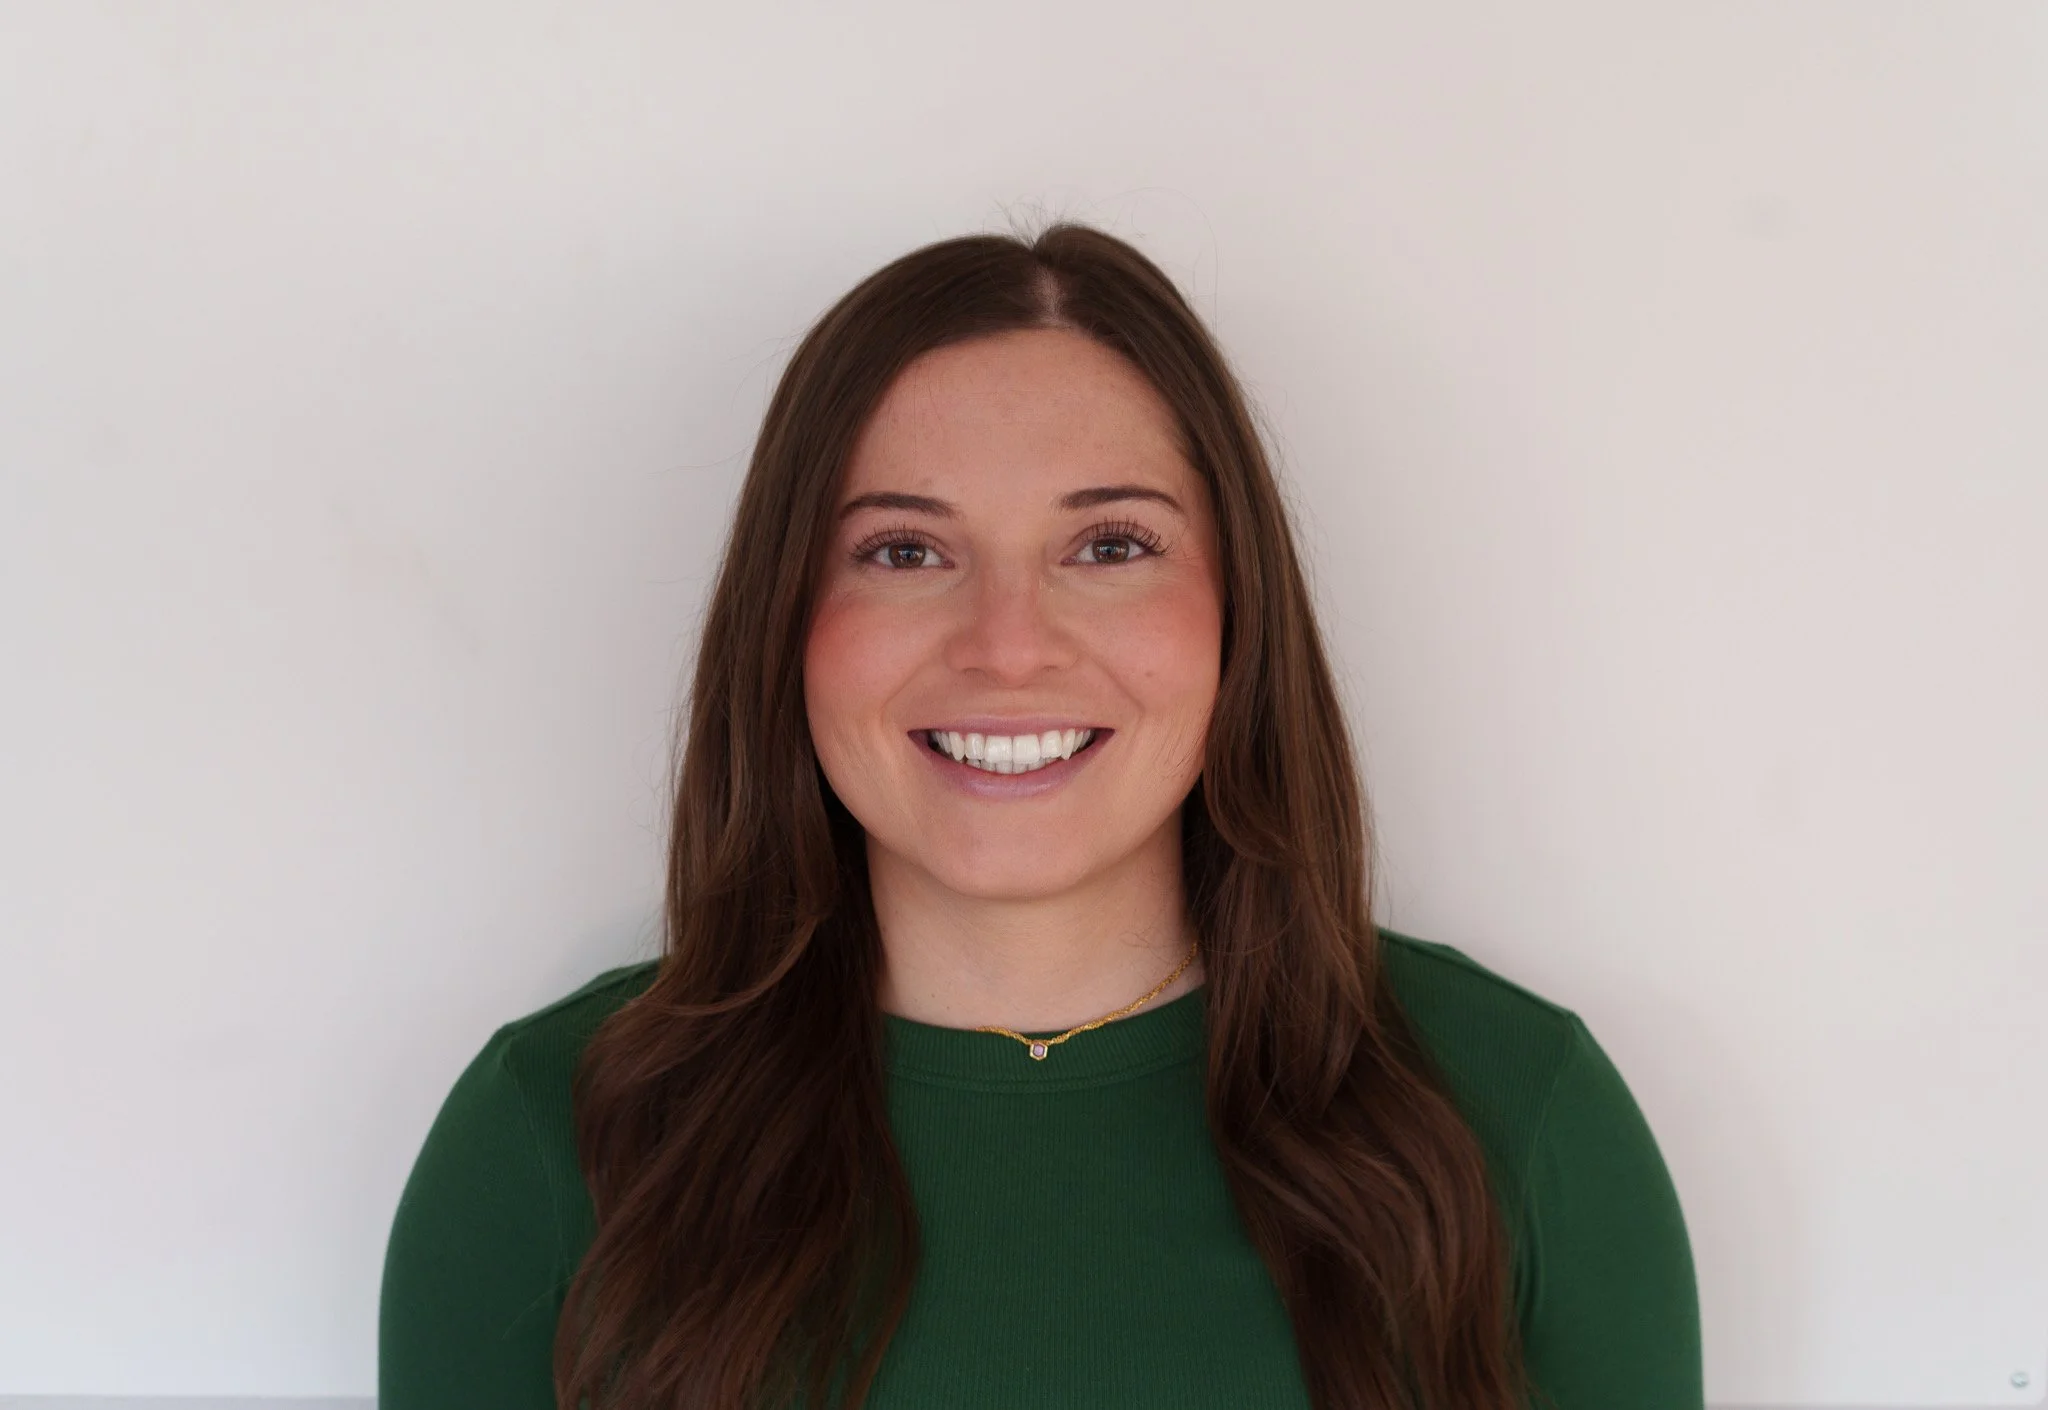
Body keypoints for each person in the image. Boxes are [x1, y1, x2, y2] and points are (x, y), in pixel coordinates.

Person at [378, 222, 1703, 1410]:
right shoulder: (551, 1142)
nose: (1009, 646)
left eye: (1110, 545)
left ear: (1237, 617)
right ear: (788, 623)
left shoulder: (1516, 1121)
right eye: (905, 551)